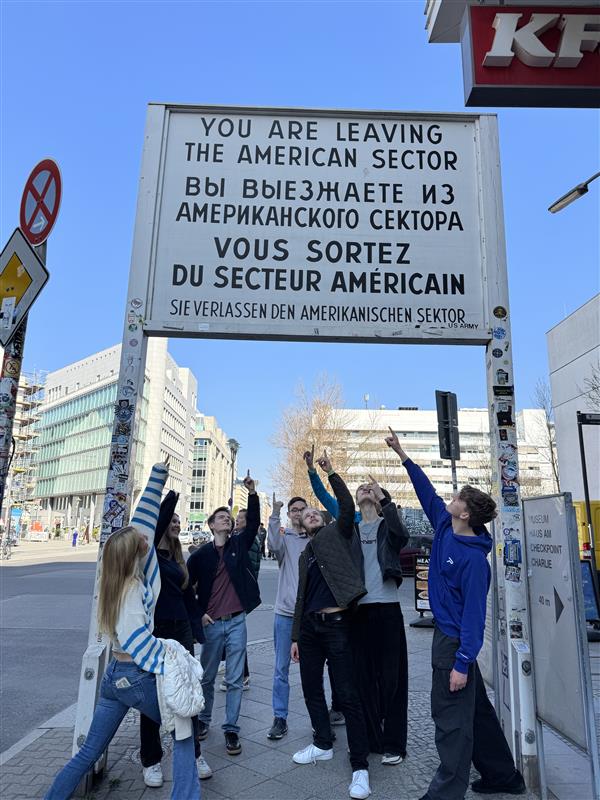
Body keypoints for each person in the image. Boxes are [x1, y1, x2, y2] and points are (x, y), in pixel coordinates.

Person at [43, 461, 200, 800]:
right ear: (134, 554)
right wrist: (170, 654)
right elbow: (136, 640)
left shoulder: (114, 581)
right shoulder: (131, 589)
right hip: (135, 674)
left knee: (88, 752)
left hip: (115, 678)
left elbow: (142, 522)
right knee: (184, 731)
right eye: (140, 543)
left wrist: (157, 478)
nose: (145, 541)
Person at [385, 427, 526, 800]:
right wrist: (402, 454)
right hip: (449, 640)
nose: (450, 499)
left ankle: (445, 794)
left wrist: (463, 662)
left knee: (451, 721)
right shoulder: (446, 525)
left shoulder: (474, 562)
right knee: (476, 712)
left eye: (456, 497)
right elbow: (426, 492)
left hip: (453, 644)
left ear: (465, 512)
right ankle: (502, 776)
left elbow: (474, 617)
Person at [290, 454, 371, 800]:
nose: (310, 512)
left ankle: (360, 768)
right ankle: (322, 742)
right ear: (300, 526)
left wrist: (329, 471)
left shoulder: (339, 532)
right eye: (304, 513)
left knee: (348, 696)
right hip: (309, 630)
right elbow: (299, 597)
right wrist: (295, 636)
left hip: (338, 626)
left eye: (313, 510)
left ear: (322, 517)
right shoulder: (305, 553)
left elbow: (346, 502)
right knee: (310, 690)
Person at [139, 491, 212, 787]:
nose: (177, 524)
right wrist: (168, 494)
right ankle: (151, 761)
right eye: (173, 520)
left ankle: (194, 754)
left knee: (187, 692)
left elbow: (188, 598)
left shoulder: (179, 558)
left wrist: (199, 623)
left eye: (180, 522)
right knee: (152, 698)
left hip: (181, 630)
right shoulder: (150, 556)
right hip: (156, 632)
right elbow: (155, 523)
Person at [187, 474, 260, 756]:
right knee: (206, 677)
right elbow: (185, 590)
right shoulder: (200, 556)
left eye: (228, 517)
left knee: (233, 679)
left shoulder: (238, 546)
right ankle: (204, 721)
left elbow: (252, 524)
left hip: (237, 621)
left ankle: (231, 729)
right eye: (221, 517)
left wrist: (252, 494)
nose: (226, 519)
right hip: (212, 624)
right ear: (211, 525)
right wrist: (199, 615)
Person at [266, 493, 308, 739]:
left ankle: (318, 716)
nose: (297, 512)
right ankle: (279, 717)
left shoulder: (316, 539)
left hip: (309, 616)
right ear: (289, 514)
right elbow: (272, 545)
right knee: (281, 669)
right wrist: (274, 512)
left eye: (301, 509)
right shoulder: (284, 539)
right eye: (293, 509)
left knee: (313, 669)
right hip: (285, 614)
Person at [219, 506, 258, 692]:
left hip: (237, 600)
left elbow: (248, 570)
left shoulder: (240, 541)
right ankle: (235, 673)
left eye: (235, 518)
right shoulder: (212, 549)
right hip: (221, 605)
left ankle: (241, 675)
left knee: (236, 641)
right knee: (227, 641)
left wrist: (252, 495)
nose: (235, 520)